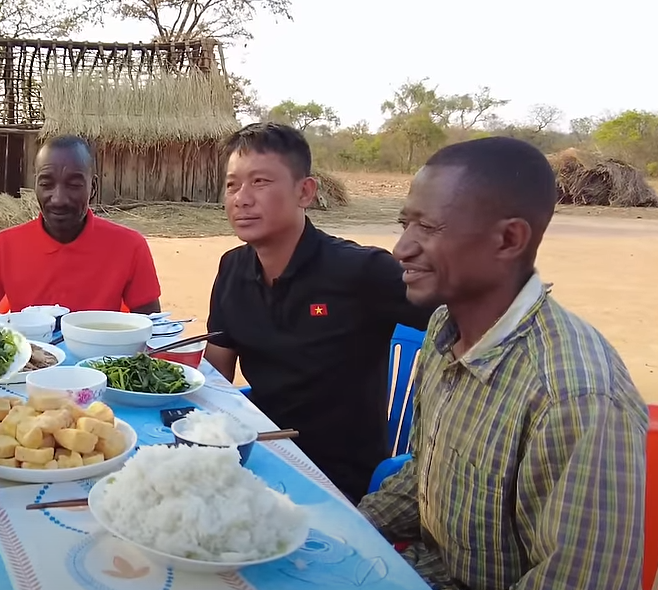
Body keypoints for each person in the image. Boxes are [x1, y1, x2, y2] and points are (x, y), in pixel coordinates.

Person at [358, 137, 646, 589]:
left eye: (429, 228)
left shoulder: (575, 397)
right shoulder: (443, 329)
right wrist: (344, 530)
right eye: (404, 223)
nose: (401, 248)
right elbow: (422, 476)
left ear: (509, 239)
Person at [204, 122, 432, 503]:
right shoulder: (232, 268)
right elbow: (216, 375)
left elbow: (460, 320)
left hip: (337, 477)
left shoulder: (361, 271)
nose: (241, 198)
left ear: (304, 192)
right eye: (231, 184)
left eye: (260, 182)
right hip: (257, 452)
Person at [0, 135, 162, 314]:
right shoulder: (4, 247)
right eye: (46, 184)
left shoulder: (129, 247)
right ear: (35, 186)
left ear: (92, 188)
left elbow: (153, 331)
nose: (58, 199)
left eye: (73, 185)